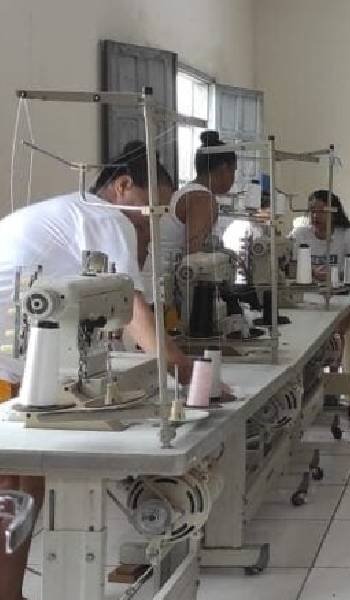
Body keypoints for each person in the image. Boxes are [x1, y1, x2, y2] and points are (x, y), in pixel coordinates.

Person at [0, 142, 195, 600]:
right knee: (8, 483)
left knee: (27, 478)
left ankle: (10, 593)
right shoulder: (106, 216)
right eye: (152, 209)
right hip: (6, 352)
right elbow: (133, 310)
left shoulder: (73, 213)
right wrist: (186, 371)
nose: (151, 221)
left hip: (15, 356)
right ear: (123, 186)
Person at [154, 130, 237, 287]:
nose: (233, 179)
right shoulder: (202, 198)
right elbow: (193, 255)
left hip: (163, 280)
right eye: (233, 171)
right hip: (165, 286)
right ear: (224, 168)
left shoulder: (187, 191)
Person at [290, 190, 350, 281]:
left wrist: (333, 276)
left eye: (322, 211)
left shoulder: (349, 235)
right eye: (312, 211)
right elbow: (293, 269)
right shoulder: (300, 234)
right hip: (309, 287)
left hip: (340, 288)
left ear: (334, 213)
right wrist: (312, 273)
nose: (315, 216)